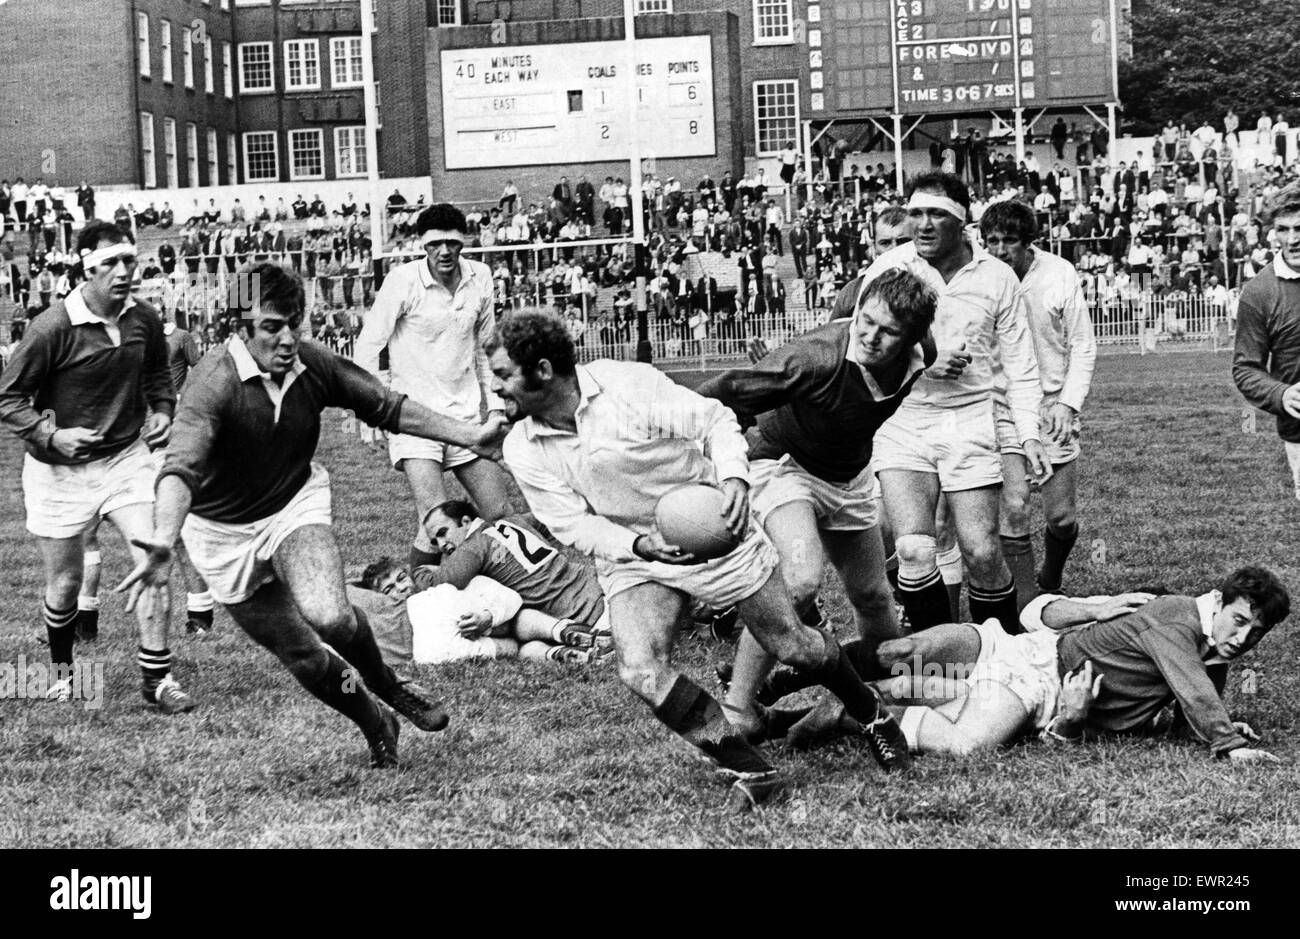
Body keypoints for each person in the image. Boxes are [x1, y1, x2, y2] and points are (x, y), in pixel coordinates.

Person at [488, 309, 912, 813]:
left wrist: (733, 480)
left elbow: (714, 420)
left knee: (793, 646)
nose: (496, 389)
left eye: (502, 375)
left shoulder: (626, 385)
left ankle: (870, 714)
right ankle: (753, 770)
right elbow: (571, 523)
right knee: (640, 669)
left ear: (540, 370)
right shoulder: (523, 446)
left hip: (713, 524)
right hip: (634, 551)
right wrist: (638, 548)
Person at [116, 263, 508, 768]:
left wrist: (468, 434)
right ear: (241, 328)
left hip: (292, 506)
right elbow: (180, 468)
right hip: (220, 534)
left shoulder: (312, 364)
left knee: (329, 614)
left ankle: (391, 686)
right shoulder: (212, 384)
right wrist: (165, 538)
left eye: (294, 325)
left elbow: (388, 406)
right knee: (302, 654)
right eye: (271, 327)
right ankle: (374, 720)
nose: (286, 340)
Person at [696, 268, 938, 739]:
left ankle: (878, 696)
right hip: (784, 464)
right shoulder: (815, 359)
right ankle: (739, 708)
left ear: (912, 336)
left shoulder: (923, 355)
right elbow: (718, 393)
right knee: (801, 580)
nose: (869, 335)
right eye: (865, 320)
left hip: (849, 476)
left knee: (872, 596)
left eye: (887, 331)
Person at [0, 221, 191, 711]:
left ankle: (158, 678)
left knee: (155, 558)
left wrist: (163, 411)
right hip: (57, 471)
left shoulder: (144, 318)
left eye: (129, 261)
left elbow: (158, 373)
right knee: (64, 583)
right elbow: (8, 397)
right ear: (84, 268)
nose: (123, 272)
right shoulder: (52, 327)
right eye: (109, 263)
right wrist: (51, 434)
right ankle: (63, 673)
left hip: (126, 461)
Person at [863, 172, 1050, 636]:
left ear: (963, 223)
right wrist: (923, 360)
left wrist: (1028, 435)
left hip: (971, 421)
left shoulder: (996, 277)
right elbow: (862, 349)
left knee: (983, 553)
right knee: (914, 549)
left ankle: (1004, 657)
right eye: (915, 214)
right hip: (904, 418)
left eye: (936, 215)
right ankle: (942, 655)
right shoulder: (891, 269)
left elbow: (1022, 367)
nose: (922, 225)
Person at [871, 567, 1289, 762]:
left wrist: (1219, 727)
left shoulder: (1208, 655)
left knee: (940, 717)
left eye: (1256, 632)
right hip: (1027, 656)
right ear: (1217, 602)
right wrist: (1229, 746)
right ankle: (830, 675)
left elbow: (1190, 709)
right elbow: (1036, 611)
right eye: (1238, 621)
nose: (1242, 639)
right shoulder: (1174, 615)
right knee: (897, 655)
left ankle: (860, 709)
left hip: (1035, 681)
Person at [355, 203, 518, 571]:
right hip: (414, 420)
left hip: (463, 419)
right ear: (422, 245)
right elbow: (367, 347)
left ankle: (519, 590)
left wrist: (494, 409)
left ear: (464, 243)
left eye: (452, 243)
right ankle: (425, 605)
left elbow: (486, 348)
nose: (444, 251)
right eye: (435, 244)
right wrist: (375, 409)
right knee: (435, 520)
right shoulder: (402, 281)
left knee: (500, 513)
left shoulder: (481, 277)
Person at [979, 200, 1097, 598]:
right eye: (991, 241)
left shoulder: (1059, 273)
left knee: (1061, 519)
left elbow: (1082, 345)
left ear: (1029, 242)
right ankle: (1027, 608)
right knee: (1014, 506)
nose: (998, 250)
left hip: (1050, 407)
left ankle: (1051, 577)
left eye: (1008, 241)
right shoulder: (981, 277)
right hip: (1002, 406)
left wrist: (1068, 403)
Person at [357, 558, 605, 665]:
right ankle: (560, 631)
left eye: (401, 579)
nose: (401, 588)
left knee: (517, 650)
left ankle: (557, 652)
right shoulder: (432, 592)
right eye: (390, 589)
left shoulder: (429, 589)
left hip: (437, 647)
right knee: (516, 622)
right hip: (458, 619)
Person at [416, 498, 608, 632]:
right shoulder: (513, 521)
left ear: (465, 521)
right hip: (602, 585)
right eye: (435, 542)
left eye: (443, 533)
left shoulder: (470, 548)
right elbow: (551, 518)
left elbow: (442, 583)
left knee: (525, 636)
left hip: (586, 614)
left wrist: (420, 571)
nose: (441, 545)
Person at [1232, 181, 1300, 497]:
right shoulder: (1259, 292)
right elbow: (1245, 368)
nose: (1293, 239)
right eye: (1283, 230)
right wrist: (1281, 394)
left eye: (1299, 228)